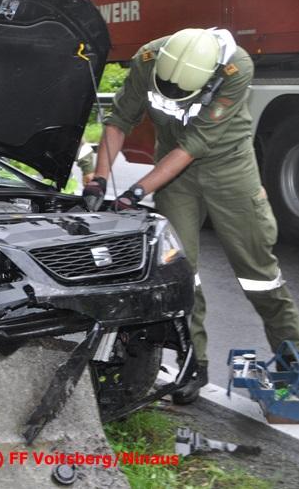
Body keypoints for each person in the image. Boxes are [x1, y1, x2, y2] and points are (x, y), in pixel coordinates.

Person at [82, 28, 299, 404]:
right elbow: (119, 121)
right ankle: (193, 366)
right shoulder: (148, 60)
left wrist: (136, 192)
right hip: (175, 179)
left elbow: (193, 145)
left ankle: (292, 365)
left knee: (259, 277)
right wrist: (100, 179)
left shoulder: (236, 68)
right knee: (181, 273)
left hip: (229, 173)